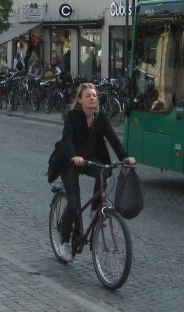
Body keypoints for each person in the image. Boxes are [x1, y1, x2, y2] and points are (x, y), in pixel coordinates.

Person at [53, 83, 135, 262]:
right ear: (80, 100)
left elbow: (112, 138)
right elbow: (66, 139)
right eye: (88, 95)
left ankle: (95, 208)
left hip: (89, 158)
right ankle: (65, 243)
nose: (92, 98)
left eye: (94, 95)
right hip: (69, 160)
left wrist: (125, 158)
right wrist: (74, 156)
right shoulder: (73, 116)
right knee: (74, 203)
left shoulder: (100, 117)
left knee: (103, 172)